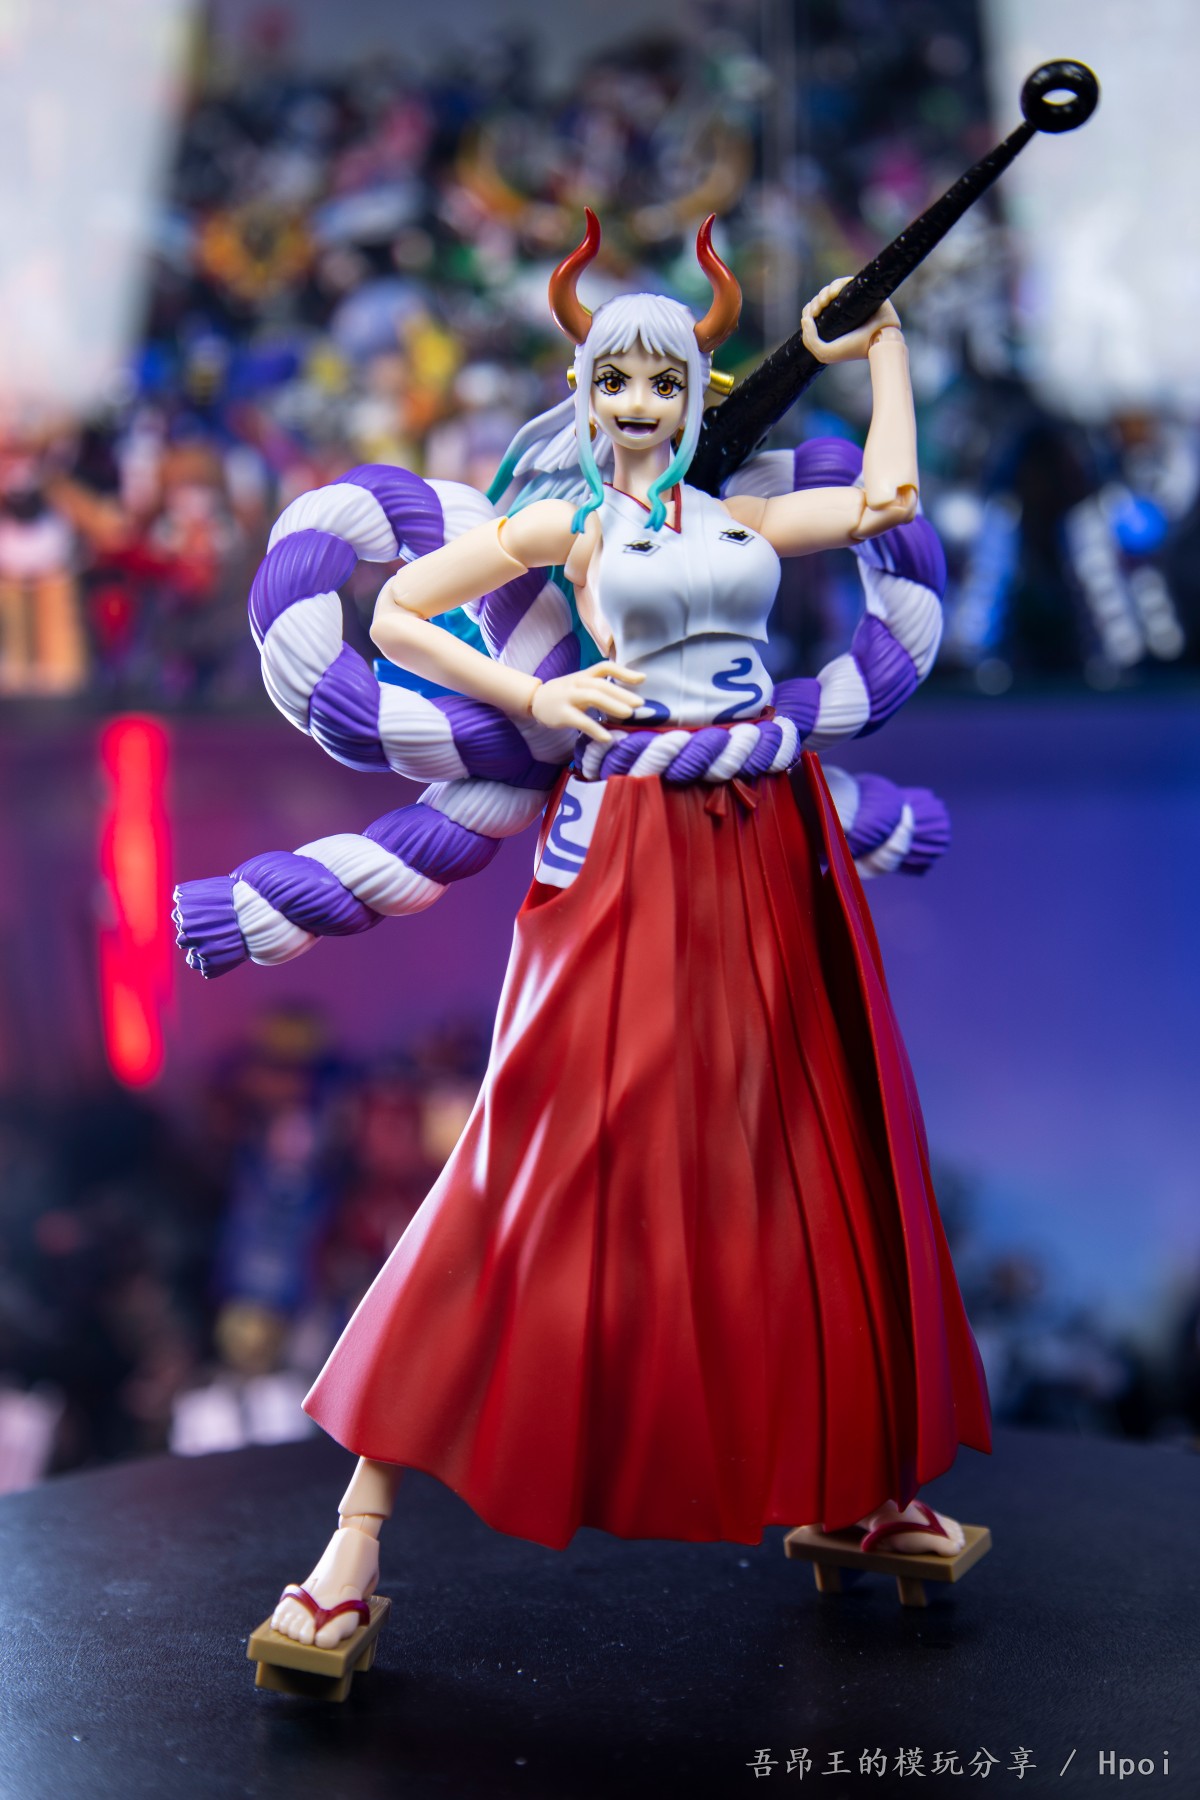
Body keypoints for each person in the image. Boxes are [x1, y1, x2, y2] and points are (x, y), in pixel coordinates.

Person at [217, 214, 991, 1649]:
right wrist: (534, 698)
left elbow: (886, 499)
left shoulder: (738, 523)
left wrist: (879, 349)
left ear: (697, 395)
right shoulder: (570, 527)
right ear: (586, 394)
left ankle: (864, 1483)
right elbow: (397, 615)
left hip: (769, 833)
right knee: (539, 1150)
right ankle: (352, 1540)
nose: (640, 403)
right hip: (630, 838)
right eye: (617, 380)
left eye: (665, 380)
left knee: (801, 1138)